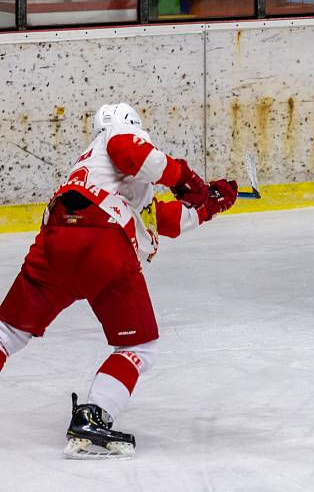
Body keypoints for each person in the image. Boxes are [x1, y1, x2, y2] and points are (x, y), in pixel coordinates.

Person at [0, 103, 239, 458]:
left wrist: (208, 205)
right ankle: (94, 415)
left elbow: (156, 220)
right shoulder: (119, 138)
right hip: (101, 244)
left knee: (7, 331)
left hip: (55, 240)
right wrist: (186, 180)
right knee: (139, 347)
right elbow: (128, 150)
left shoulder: (96, 169)